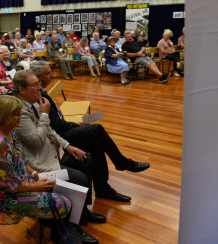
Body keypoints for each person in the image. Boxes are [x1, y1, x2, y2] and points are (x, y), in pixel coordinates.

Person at [30, 61, 150, 202]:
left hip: (60, 130)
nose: (52, 75)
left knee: (97, 143)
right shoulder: (35, 95)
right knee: (97, 129)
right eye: (48, 73)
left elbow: (55, 120)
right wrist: (77, 125)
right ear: (37, 76)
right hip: (57, 137)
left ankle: (102, 188)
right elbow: (56, 126)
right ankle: (121, 163)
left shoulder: (40, 91)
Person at [10, 70, 100, 243]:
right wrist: (45, 113)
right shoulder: (18, 111)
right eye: (35, 85)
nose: (39, 88)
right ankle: (70, 227)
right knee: (78, 179)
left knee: (85, 159)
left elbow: (50, 130)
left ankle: (81, 212)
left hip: (51, 156)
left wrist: (67, 145)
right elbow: (36, 140)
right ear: (22, 90)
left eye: (38, 83)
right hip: (39, 167)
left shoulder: (34, 103)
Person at [0, 95, 73, 244]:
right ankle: (56, 236)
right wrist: (36, 186)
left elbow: (21, 161)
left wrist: (35, 174)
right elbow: (11, 187)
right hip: (7, 199)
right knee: (62, 202)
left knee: (61, 186)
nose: (21, 117)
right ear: (5, 116)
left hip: (22, 184)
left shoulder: (9, 132)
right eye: (17, 114)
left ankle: (42, 231)